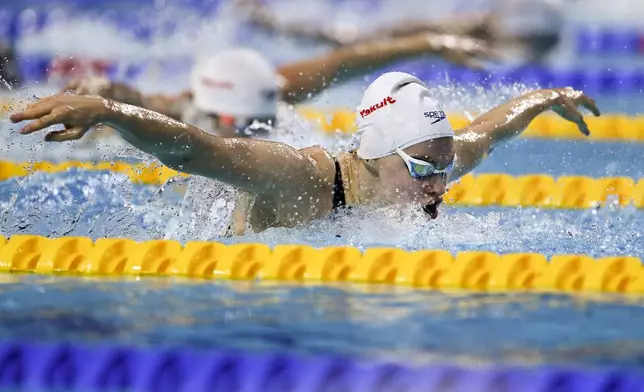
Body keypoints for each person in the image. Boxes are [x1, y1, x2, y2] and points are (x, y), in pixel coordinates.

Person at [10, 72, 599, 235]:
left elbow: (489, 131)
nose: (439, 186)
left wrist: (548, 98)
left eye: (445, 168)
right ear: (373, 155)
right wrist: (110, 112)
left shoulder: (429, 162)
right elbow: (197, 151)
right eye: (423, 170)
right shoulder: (300, 178)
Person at [62, 32, 493, 138]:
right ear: (215, 113)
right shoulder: (187, 109)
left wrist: (431, 44)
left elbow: (342, 62)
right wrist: (105, 92)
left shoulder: (274, 90)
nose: (259, 126)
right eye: (245, 120)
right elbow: (136, 99)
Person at [238, 0, 563, 64]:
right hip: (412, 32)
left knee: (342, 39)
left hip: (416, 31)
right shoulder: (488, 29)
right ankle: (269, 23)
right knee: (344, 40)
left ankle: (269, 22)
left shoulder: (494, 28)